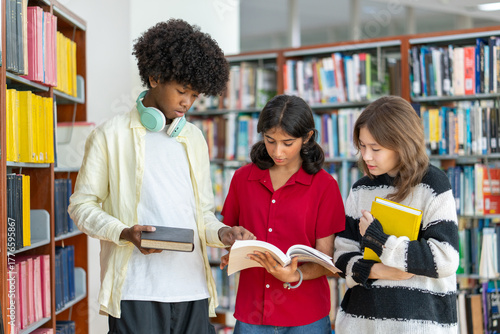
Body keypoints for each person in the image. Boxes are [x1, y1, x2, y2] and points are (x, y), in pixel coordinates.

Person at [68, 19, 254, 334]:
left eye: (194, 95)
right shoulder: (109, 135)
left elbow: (202, 215)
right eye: (182, 91)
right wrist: (125, 232)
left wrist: (222, 234)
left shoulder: (194, 138)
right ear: (154, 78)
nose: (187, 102)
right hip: (135, 292)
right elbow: (81, 207)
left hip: (191, 288)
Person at [220, 94, 345, 333]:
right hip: (251, 314)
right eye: (270, 140)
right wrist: (233, 248)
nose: (277, 151)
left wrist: (293, 275)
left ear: (307, 137)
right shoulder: (242, 179)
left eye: (288, 143)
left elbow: (326, 260)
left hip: (306, 316)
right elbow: (229, 235)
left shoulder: (324, 185)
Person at [334, 95, 459, 333]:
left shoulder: (433, 184)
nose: (366, 156)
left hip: (419, 326)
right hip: (360, 325)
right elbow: (341, 256)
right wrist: (377, 270)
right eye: (362, 145)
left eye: (376, 148)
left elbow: (446, 259)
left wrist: (380, 241)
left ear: (402, 143)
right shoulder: (361, 188)